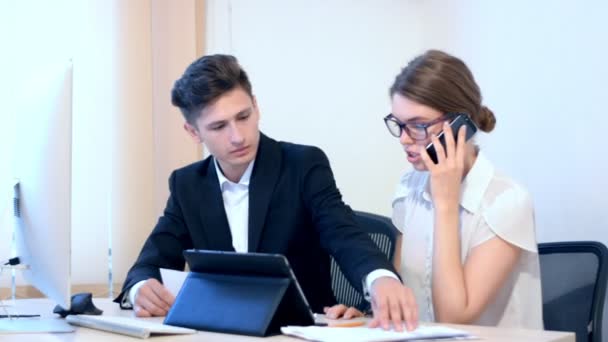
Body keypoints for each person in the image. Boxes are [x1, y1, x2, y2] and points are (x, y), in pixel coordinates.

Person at [113, 54, 418, 331]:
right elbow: (151, 259)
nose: (237, 137)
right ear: (193, 132)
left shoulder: (303, 166)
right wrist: (141, 288)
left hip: (298, 332)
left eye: (243, 117)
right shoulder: (187, 184)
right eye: (219, 127)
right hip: (220, 333)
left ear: (256, 107)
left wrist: (381, 278)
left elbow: (344, 233)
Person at [325, 50, 543, 329]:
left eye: (417, 126)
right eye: (398, 124)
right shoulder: (409, 187)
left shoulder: (507, 200)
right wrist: (371, 312)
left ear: (460, 124)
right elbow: (408, 291)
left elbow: (454, 318)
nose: (404, 139)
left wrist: (445, 204)